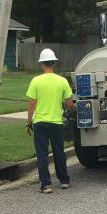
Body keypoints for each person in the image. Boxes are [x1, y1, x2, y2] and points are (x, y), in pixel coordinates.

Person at [26, 48, 74, 193]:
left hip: (40, 122)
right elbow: (69, 104)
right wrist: (72, 111)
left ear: (42, 64)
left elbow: (32, 104)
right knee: (59, 152)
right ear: (54, 63)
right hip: (56, 122)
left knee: (42, 154)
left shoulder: (36, 81)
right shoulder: (62, 81)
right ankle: (64, 180)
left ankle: (46, 184)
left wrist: (29, 121)